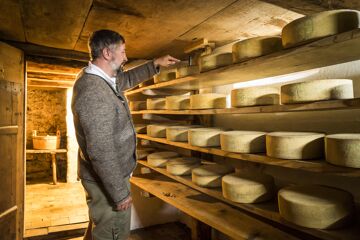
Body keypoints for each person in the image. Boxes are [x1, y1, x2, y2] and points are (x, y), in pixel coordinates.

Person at [71, 29, 180, 240]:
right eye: (122, 51)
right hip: (107, 180)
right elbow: (101, 151)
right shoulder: (93, 92)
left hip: (108, 177)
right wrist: (120, 193)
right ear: (107, 53)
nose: (126, 57)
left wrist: (155, 63)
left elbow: (126, 79)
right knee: (113, 232)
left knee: (101, 226)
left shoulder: (99, 77)